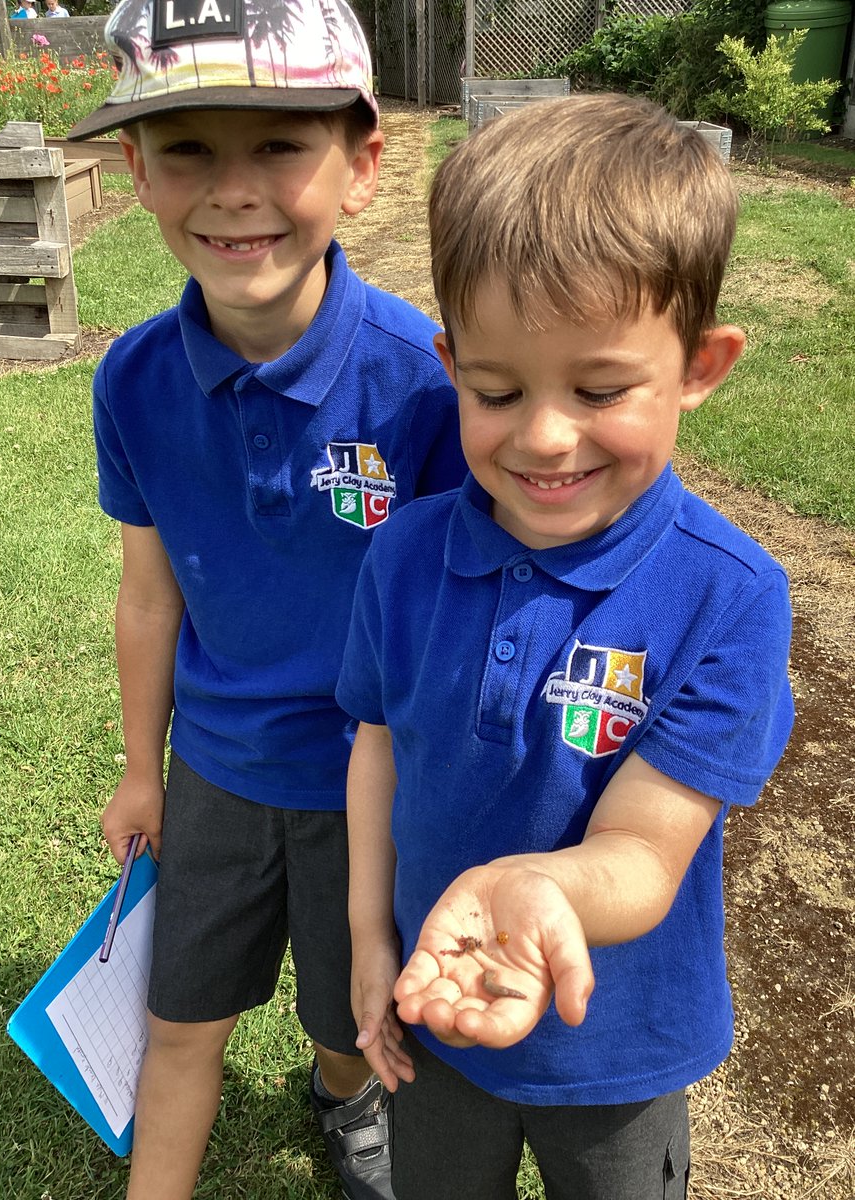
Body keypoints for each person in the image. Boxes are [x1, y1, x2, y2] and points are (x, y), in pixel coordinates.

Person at [337, 92, 795, 1200]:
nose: (545, 436)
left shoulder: (729, 597)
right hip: (439, 1006)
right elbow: (377, 745)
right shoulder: (402, 557)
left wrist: (536, 887)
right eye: (496, 390)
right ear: (450, 362)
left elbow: (644, 848)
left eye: (600, 389)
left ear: (701, 364)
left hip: (618, 1050)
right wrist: (367, 933)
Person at [66, 0, 466, 1196]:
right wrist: (141, 769)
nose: (234, 191)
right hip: (218, 775)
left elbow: (462, 611)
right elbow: (150, 597)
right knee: (180, 1022)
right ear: (136, 169)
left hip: (370, 785)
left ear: (363, 164)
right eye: (189, 147)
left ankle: (348, 1104)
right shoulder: (132, 381)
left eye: (280, 145)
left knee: (350, 1025)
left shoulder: (428, 386)